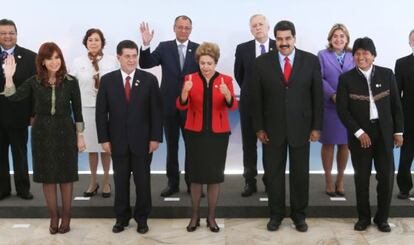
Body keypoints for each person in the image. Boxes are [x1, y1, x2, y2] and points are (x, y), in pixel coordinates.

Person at [2, 42, 85, 234]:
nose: (54, 62)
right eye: (49, 58)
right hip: (41, 133)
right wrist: (8, 78)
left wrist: (80, 136)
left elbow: (78, 112)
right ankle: (53, 217)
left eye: (57, 57)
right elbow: (13, 97)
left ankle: (66, 216)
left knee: (66, 177)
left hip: (66, 130)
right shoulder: (34, 81)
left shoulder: (71, 81)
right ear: (42, 61)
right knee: (48, 178)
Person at [250, 20, 323, 232]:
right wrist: (259, 128)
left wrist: (316, 126)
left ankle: (299, 216)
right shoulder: (261, 62)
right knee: (273, 175)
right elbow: (257, 98)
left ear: (294, 38)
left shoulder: (310, 61)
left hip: (302, 128)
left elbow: (317, 96)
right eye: (280, 39)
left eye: (287, 38)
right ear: (275, 40)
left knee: (300, 175)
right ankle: (276, 214)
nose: (284, 43)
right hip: (271, 130)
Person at [336, 37, 404, 232]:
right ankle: (363, 218)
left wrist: (398, 131)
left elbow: (396, 107)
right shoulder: (346, 79)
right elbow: (343, 110)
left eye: (365, 53)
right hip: (360, 137)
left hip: (384, 134)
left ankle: (382, 219)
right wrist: (358, 132)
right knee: (361, 178)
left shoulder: (387, 74)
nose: (361, 57)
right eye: (357, 53)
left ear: (373, 55)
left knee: (386, 177)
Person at [96, 40, 163, 234]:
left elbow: (156, 112)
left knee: (143, 183)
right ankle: (121, 218)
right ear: (119, 58)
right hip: (117, 142)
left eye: (135, 56)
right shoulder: (107, 80)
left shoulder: (149, 79)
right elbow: (101, 113)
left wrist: (155, 138)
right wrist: (104, 139)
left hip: (143, 142)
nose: (132, 60)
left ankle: (142, 219)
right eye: (127, 56)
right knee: (121, 181)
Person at [177, 42, 238, 233]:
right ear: (198, 62)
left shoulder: (226, 80)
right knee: (195, 177)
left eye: (209, 63)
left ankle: (211, 218)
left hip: (218, 135)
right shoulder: (190, 78)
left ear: (215, 63)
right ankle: (194, 217)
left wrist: (228, 95)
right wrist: (185, 92)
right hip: (195, 133)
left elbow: (233, 106)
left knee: (214, 178)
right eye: (202, 63)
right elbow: (181, 106)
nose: (205, 66)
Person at [139, 15, 199, 197]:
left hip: (191, 106)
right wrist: (146, 44)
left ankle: (192, 183)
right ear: (174, 28)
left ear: (191, 29)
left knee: (192, 147)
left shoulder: (198, 49)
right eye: (180, 27)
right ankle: (172, 183)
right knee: (172, 146)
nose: (183, 30)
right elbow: (146, 63)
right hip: (169, 106)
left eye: (187, 28)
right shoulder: (165, 47)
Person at [70, 28, 118, 198]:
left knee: (106, 147)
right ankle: (93, 181)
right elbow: (71, 85)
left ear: (102, 42)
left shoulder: (112, 61)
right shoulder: (77, 62)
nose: (93, 43)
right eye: (90, 40)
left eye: (96, 40)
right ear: (86, 42)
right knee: (91, 148)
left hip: (107, 110)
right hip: (86, 109)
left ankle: (106, 181)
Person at [234, 14, 275, 197]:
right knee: (249, 145)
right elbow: (239, 75)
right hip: (249, 104)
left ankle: (270, 181)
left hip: (273, 106)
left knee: (271, 145)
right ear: (251, 29)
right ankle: (249, 182)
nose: (258, 27)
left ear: (268, 27)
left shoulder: (279, 46)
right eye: (254, 25)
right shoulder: (242, 49)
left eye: (261, 24)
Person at [0, 19, 36, 200]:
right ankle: (2, 189)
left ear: (16, 34)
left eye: (11, 32)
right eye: (3, 32)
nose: (7, 36)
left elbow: (35, 90)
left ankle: (23, 189)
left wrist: (33, 113)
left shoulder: (30, 57)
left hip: (19, 115)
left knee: (20, 153)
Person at [317, 24, 354, 197]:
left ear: (347, 39)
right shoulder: (322, 55)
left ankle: (340, 179)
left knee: (345, 144)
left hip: (349, 107)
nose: (338, 39)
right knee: (329, 143)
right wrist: (332, 94)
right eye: (335, 36)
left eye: (342, 36)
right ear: (330, 38)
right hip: (329, 106)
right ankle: (328, 180)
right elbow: (320, 78)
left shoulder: (354, 55)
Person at [395, 29, 414, 199]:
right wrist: (398, 121)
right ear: (410, 43)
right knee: (405, 156)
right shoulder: (401, 64)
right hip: (408, 118)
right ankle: (404, 188)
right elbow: (396, 94)